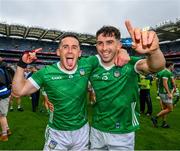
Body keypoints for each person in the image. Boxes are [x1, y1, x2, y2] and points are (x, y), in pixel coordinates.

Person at [12, 33, 129, 150]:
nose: (69, 51)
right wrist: (22, 64)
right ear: (58, 52)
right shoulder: (46, 73)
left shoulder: (87, 64)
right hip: (57, 133)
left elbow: (108, 52)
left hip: (82, 132)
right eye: (65, 47)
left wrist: (122, 51)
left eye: (74, 47)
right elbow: (18, 91)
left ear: (79, 53)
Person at [89, 21, 165, 150]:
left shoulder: (130, 64)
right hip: (96, 130)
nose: (104, 48)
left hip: (123, 131)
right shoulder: (93, 65)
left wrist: (154, 51)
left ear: (119, 45)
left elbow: (155, 66)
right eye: (100, 43)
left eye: (109, 42)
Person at [151, 61, 176, 128]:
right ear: (170, 65)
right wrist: (169, 93)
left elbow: (157, 81)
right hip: (165, 93)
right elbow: (165, 83)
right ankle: (155, 118)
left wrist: (158, 90)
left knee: (164, 108)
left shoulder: (161, 72)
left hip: (161, 92)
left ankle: (164, 123)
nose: (173, 67)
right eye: (173, 66)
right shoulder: (167, 72)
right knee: (170, 109)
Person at [0, 57, 12, 141]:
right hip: (6, 93)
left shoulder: (1, 69)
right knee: (3, 115)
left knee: (1, 116)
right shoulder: (4, 67)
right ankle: (7, 130)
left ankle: (4, 135)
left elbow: (2, 82)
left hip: (2, 95)